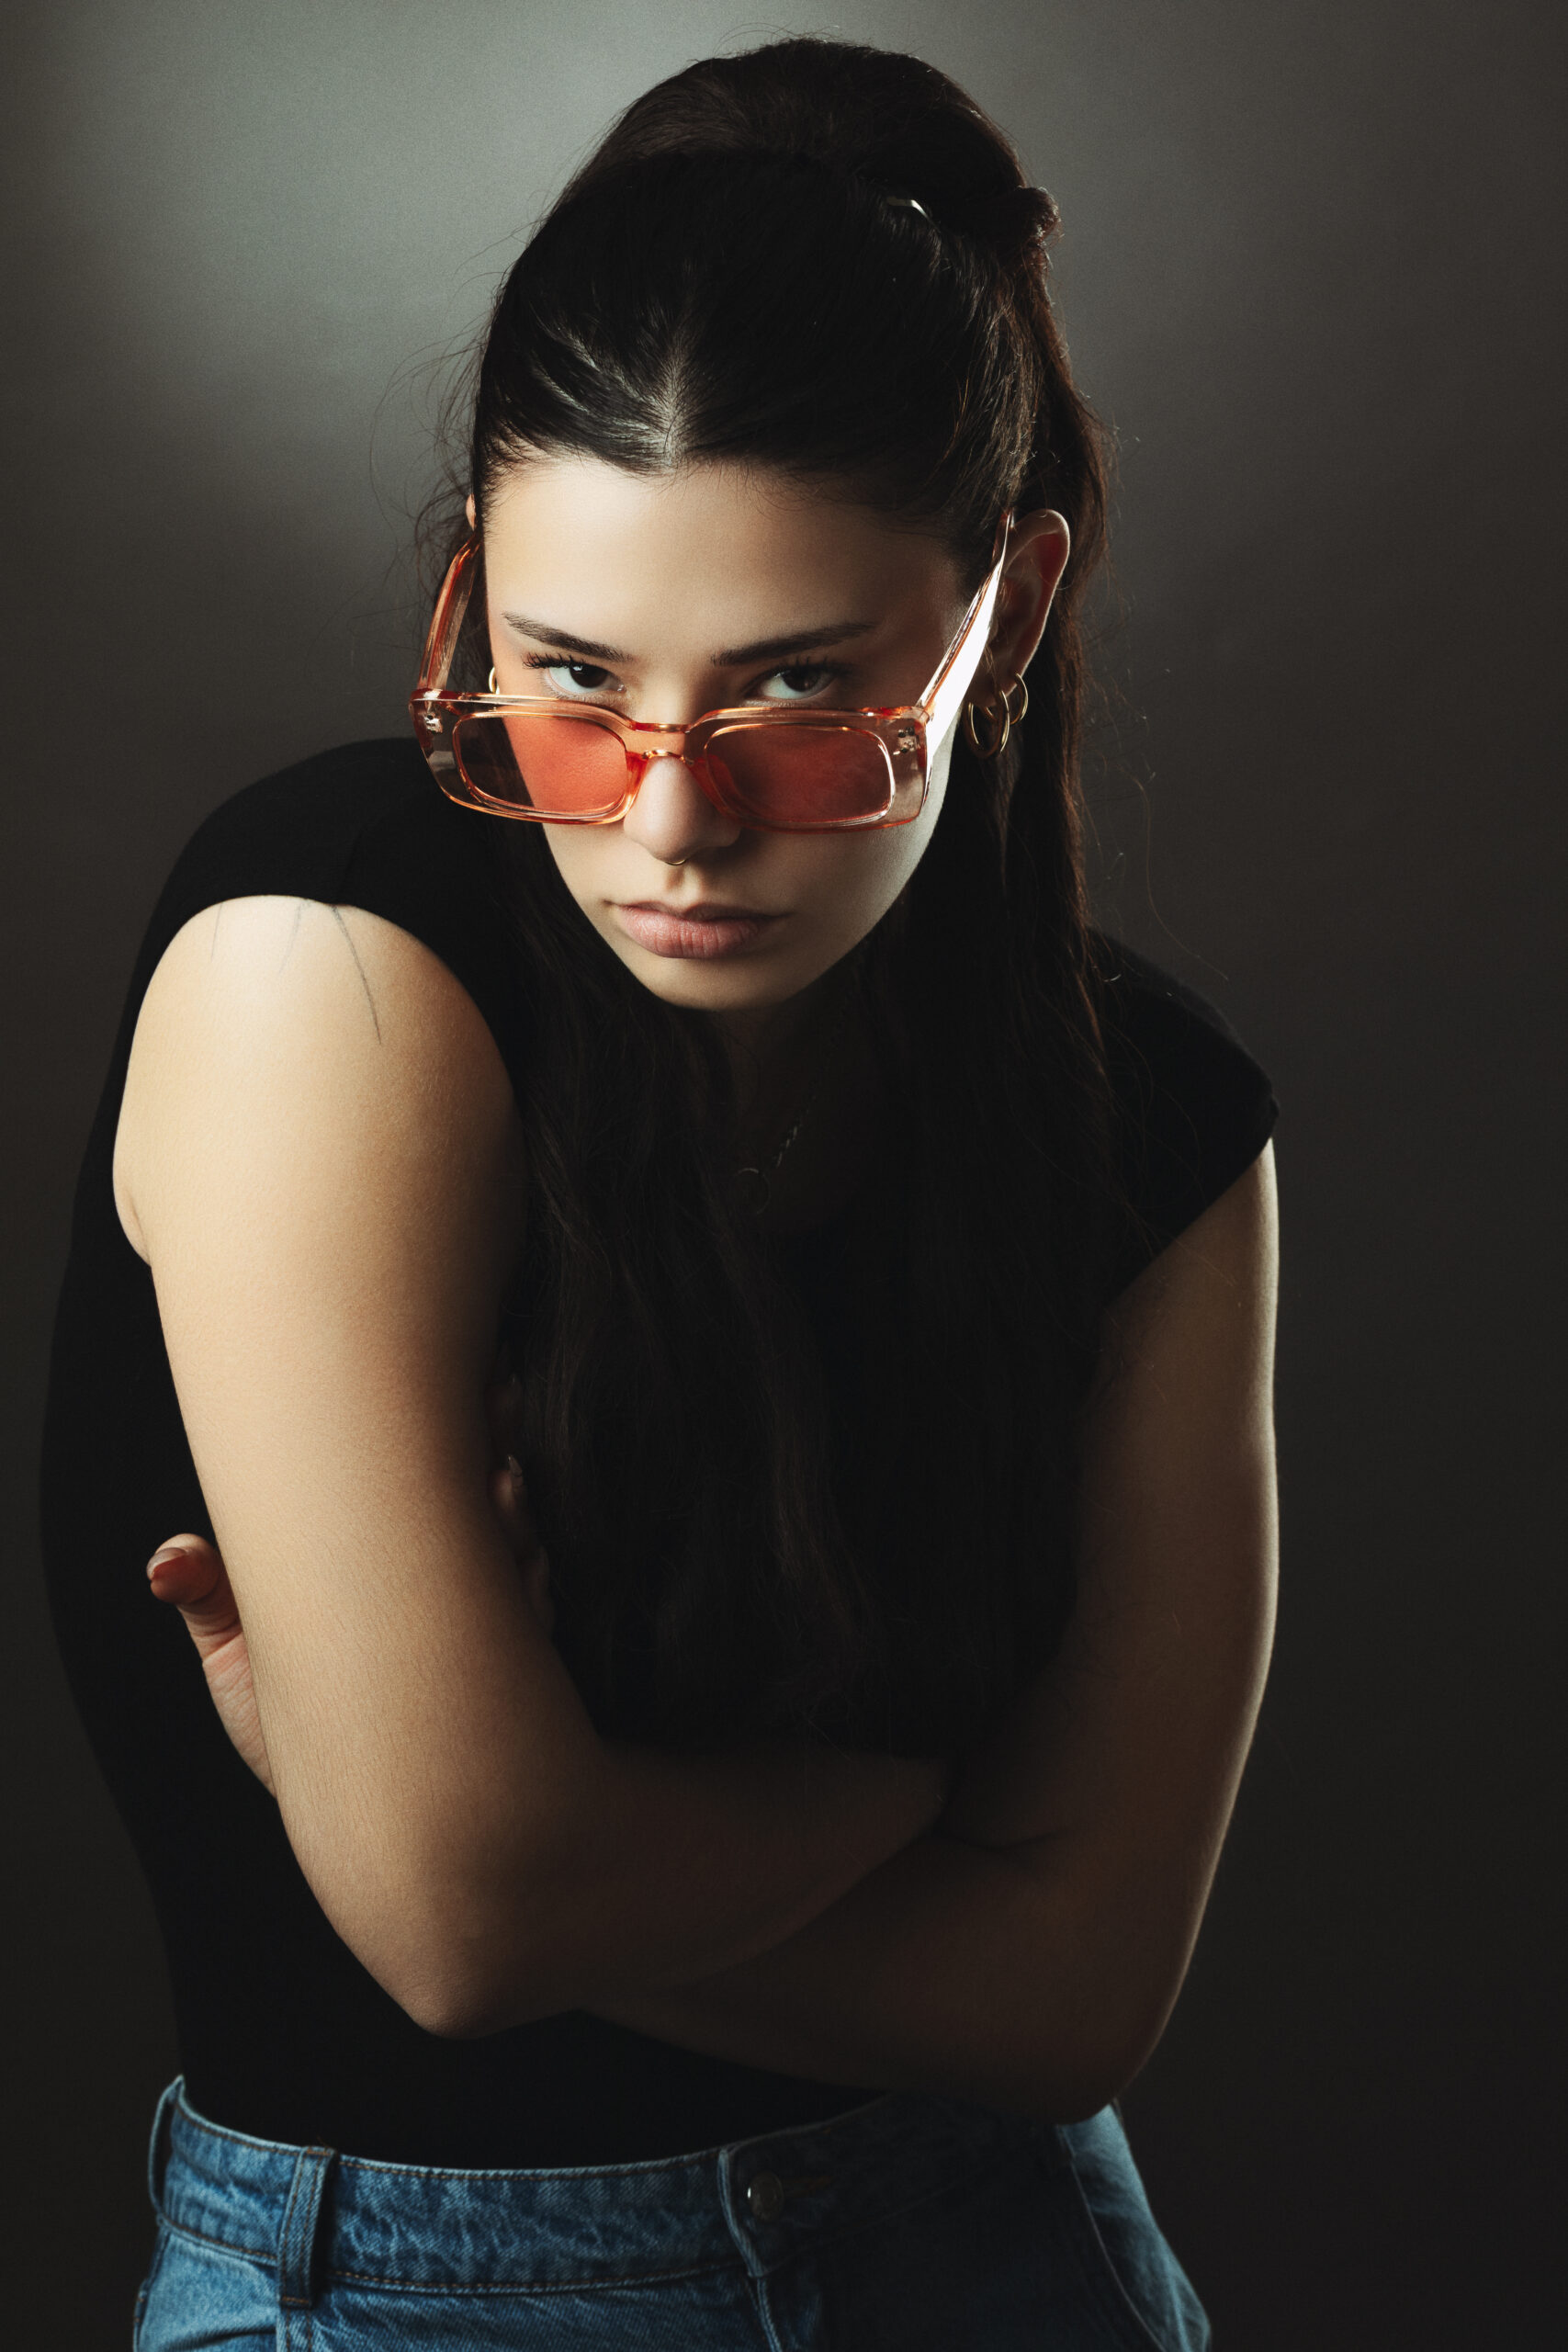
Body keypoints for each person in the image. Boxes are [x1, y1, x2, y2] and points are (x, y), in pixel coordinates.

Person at [39, 35, 1279, 2351]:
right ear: (471, 597)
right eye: (568, 684)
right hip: (392, 2297)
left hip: (1005, 2256)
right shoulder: (334, 965)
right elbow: (464, 1918)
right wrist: (904, 1798)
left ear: (1005, 606)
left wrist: (512, 1826)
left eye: (799, 694)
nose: (671, 822)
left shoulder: (1153, 1118)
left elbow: (1072, 2003)